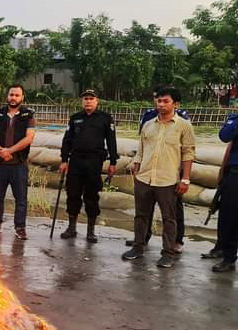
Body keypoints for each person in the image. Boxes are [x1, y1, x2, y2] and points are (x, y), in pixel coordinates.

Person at [122, 87, 196, 268]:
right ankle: (138, 247)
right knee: (141, 216)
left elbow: (188, 153)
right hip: (144, 179)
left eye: (166, 101)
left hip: (167, 180)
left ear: (175, 104)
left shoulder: (183, 126)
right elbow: (141, 150)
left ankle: (168, 253)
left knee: (169, 218)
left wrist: (185, 179)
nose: (161, 105)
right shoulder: (148, 125)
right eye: (159, 101)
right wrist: (136, 166)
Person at [59, 89, 118, 243]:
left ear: (96, 101)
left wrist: (113, 162)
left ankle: (90, 231)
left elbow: (111, 141)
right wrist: (64, 160)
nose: (88, 101)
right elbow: (67, 140)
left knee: (91, 196)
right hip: (76, 161)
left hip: (94, 162)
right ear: (82, 101)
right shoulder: (75, 118)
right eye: (85, 99)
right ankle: (72, 228)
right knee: (73, 194)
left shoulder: (105, 119)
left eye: (91, 99)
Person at [0, 84, 36, 240]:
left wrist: (10, 151)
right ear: (7, 96)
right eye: (11, 94)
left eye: (17, 95)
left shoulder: (28, 115)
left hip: (19, 164)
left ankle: (20, 228)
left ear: (22, 97)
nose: (13, 98)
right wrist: (1, 150)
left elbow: (29, 138)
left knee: (21, 199)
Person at [211, 113, 238, 272]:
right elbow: (224, 136)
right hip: (234, 174)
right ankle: (227, 255)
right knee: (228, 216)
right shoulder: (234, 119)